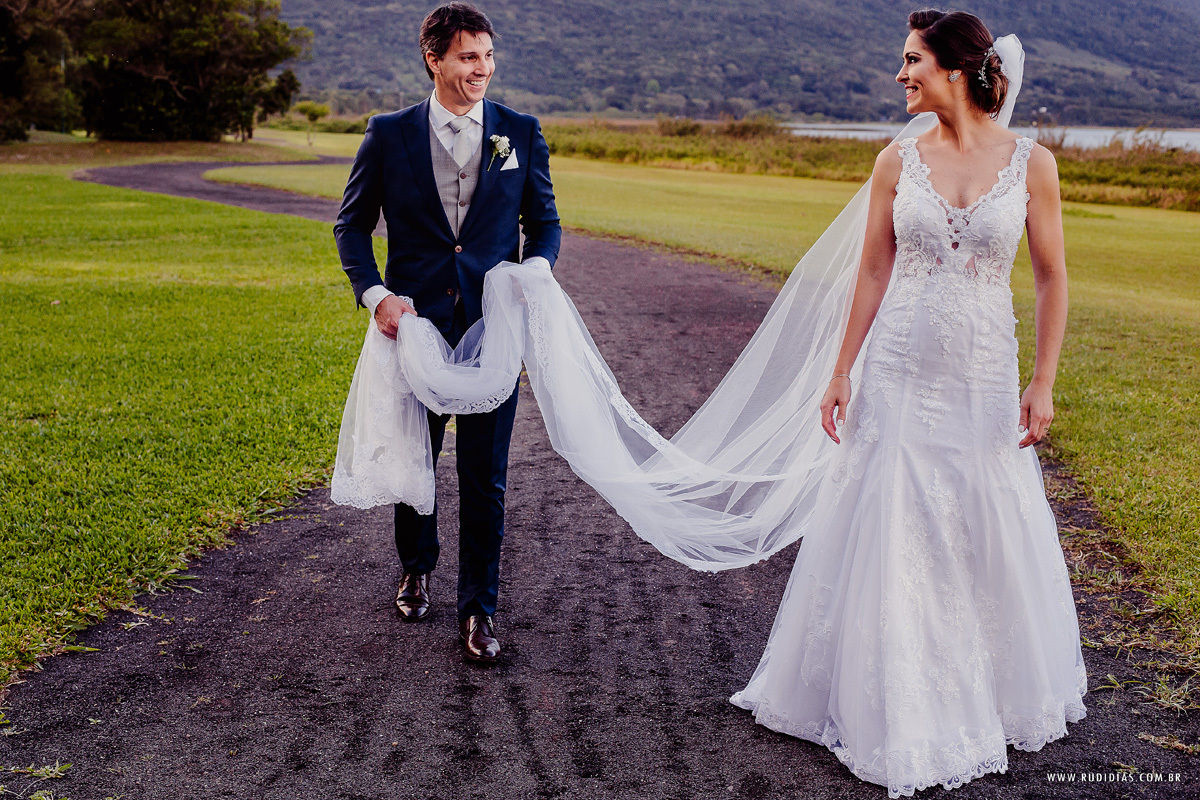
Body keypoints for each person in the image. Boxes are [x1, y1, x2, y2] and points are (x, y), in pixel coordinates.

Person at [729, 9, 1084, 796]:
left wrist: (1043, 379)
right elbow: (870, 275)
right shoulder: (896, 161)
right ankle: (893, 693)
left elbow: (1053, 278)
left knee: (979, 513)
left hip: (984, 371)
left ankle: (987, 683)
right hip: (898, 371)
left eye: (912, 60)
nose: (900, 75)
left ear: (955, 67)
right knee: (896, 519)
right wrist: (841, 369)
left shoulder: (1034, 164)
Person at [333, 1, 561, 663]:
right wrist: (376, 295)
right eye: (468, 57)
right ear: (433, 59)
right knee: (416, 458)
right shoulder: (387, 134)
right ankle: (416, 565)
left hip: (495, 331)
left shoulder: (519, 131)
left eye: (488, 56)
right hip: (417, 328)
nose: (481, 69)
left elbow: (543, 223)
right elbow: (351, 226)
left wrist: (536, 271)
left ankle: (480, 611)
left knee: (486, 476)